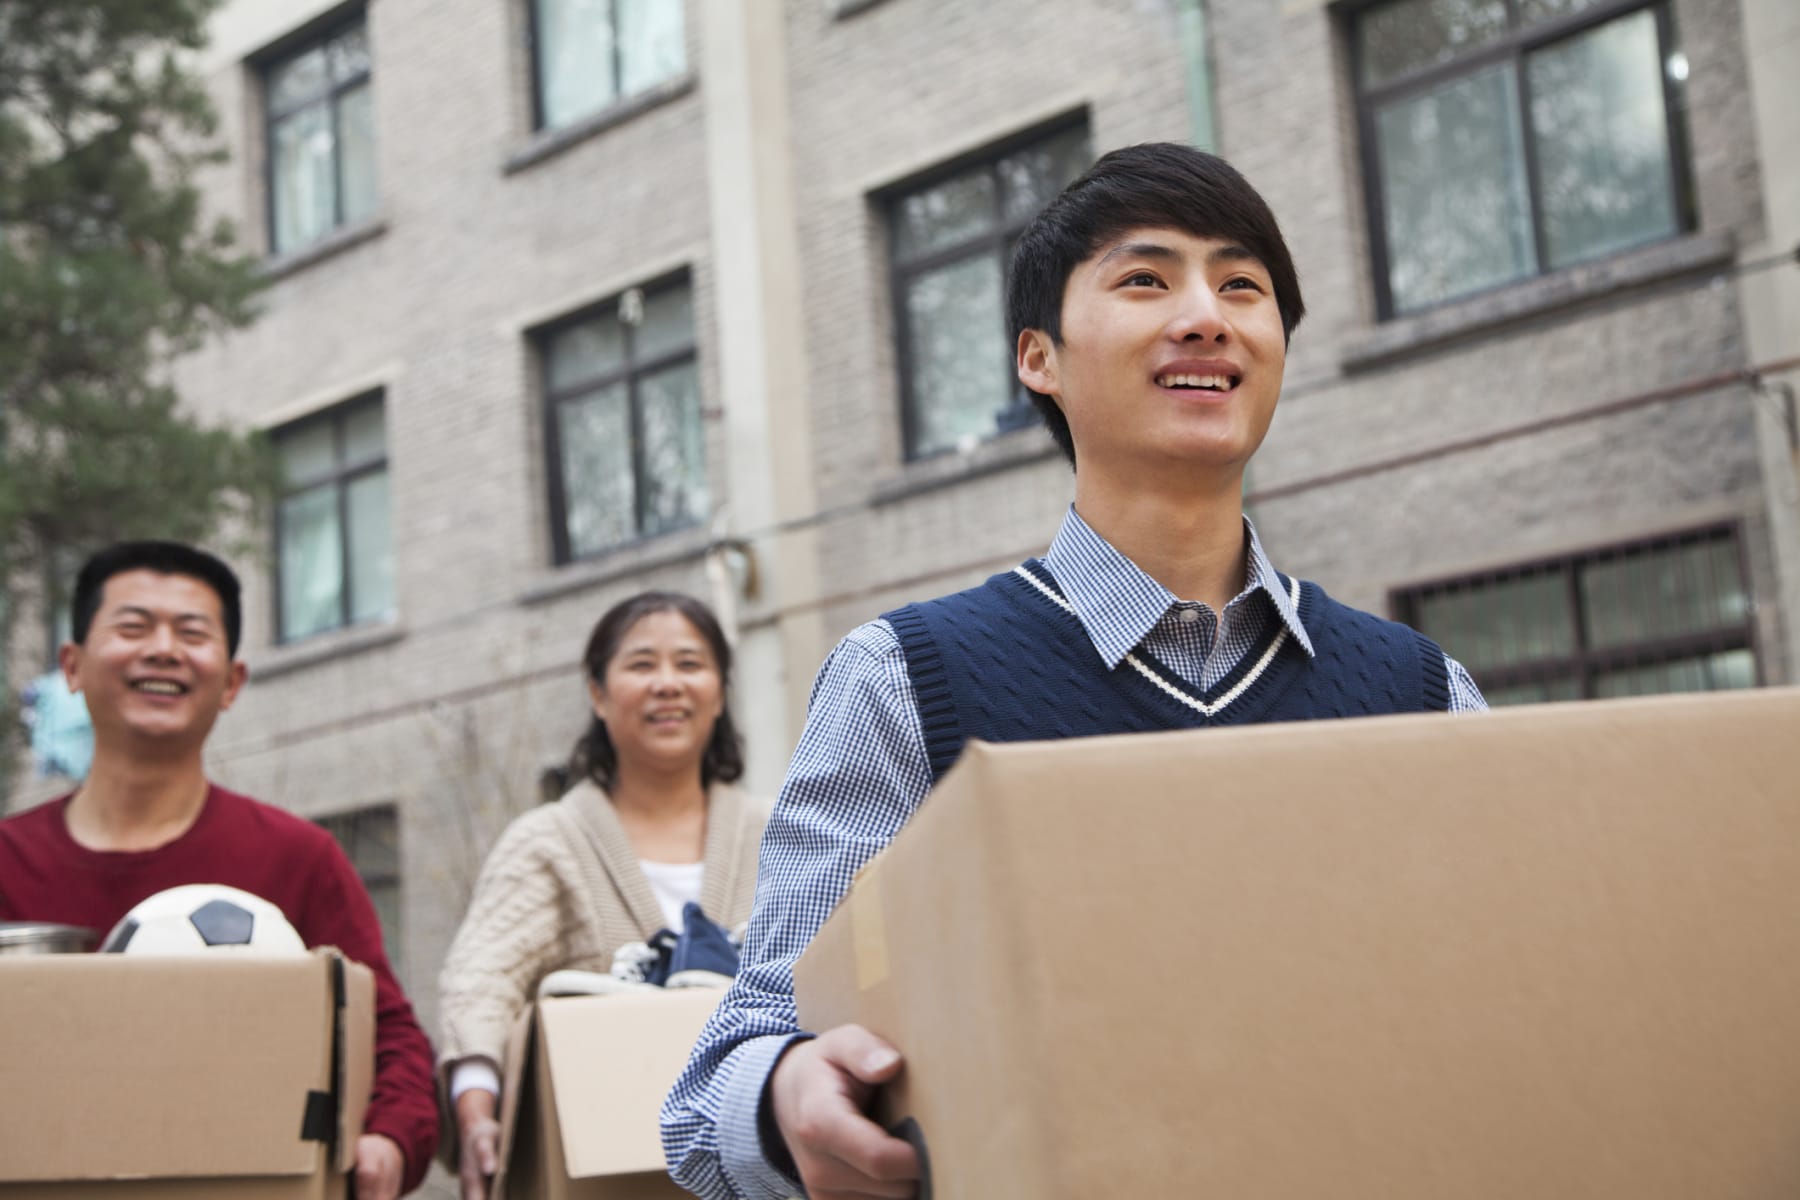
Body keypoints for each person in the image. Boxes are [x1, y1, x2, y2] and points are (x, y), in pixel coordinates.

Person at [661, 142, 1490, 1200]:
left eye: (1244, 286)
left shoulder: (1424, 695)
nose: (1206, 315)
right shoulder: (906, 682)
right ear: (1037, 358)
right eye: (1146, 279)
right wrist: (787, 1098)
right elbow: (721, 1080)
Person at [0, 541, 438, 1199]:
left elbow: (390, 1039)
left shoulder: (297, 857)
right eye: (134, 626)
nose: (164, 649)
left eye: (192, 632)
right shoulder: (9, 860)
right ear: (73, 666)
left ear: (231, 683)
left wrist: (389, 1140)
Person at [436, 591, 770, 1200]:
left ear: (720, 691)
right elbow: (480, 981)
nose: (667, 684)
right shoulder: (549, 842)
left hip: (756, 1165)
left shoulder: (779, 836)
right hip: (595, 1173)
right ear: (597, 693)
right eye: (642, 665)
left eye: (690, 664)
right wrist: (476, 1110)